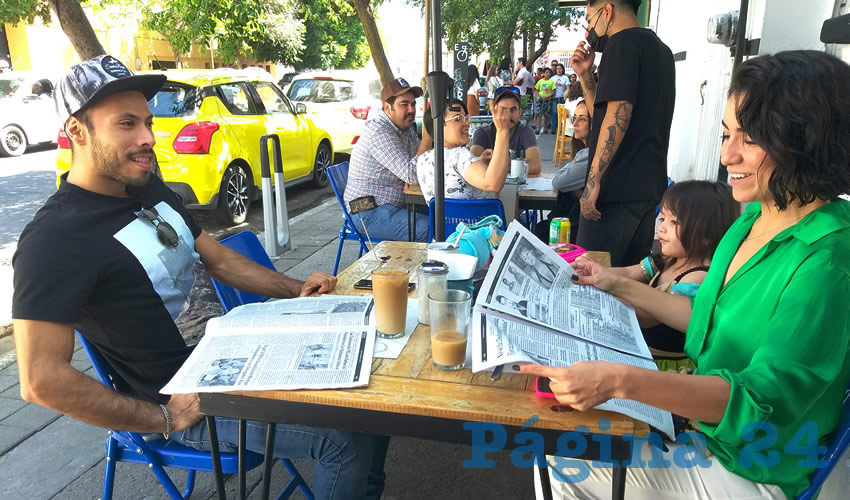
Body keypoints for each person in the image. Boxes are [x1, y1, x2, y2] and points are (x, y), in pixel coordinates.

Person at [12, 55, 386, 500]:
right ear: (76, 130)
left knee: (374, 396)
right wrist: (161, 420)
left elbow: (221, 261)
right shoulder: (54, 239)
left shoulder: (146, 187)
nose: (147, 138)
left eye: (148, 122)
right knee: (343, 441)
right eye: (126, 124)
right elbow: (40, 379)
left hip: (239, 356)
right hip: (183, 404)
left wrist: (298, 290)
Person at [523, 50, 850, 500]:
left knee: (561, 459)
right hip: (705, 432)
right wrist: (614, 281)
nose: (726, 154)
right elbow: (705, 315)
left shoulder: (828, 261)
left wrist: (620, 380)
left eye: (750, 139)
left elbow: (756, 404)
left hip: (753, 469)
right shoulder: (752, 218)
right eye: (726, 133)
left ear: (805, 142)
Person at [570, 0, 675, 266]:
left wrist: (592, 183)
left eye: (590, 19)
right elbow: (606, 118)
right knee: (626, 283)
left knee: (591, 280)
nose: (589, 31)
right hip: (646, 191)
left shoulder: (622, 45)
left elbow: (620, 113)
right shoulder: (661, 51)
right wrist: (585, 78)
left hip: (614, 192)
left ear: (607, 10)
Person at [604, 181, 739, 370]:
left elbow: (647, 317)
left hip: (662, 366)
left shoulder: (697, 277)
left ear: (705, 234)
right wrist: (597, 273)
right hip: (639, 349)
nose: (662, 228)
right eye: (663, 218)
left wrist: (608, 292)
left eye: (674, 222)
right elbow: (628, 272)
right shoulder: (666, 260)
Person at [344, 77, 431, 242]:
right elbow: (413, 174)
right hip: (367, 213)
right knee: (431, 228)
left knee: (446, 215)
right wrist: (427, 137)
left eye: (413, 104)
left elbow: (422, 166)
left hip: (396, 206)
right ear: (387, 107)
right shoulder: (379, 132)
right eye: (404, 104)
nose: (411, 110)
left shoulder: (405, 129)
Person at [415, 99, 511, 205]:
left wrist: (478, 161)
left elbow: (451, 176)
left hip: (444, 221)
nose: (466, 123)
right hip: (478, 220)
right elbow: (493, 184)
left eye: (466, 117)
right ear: (439, 125)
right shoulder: (460, 155)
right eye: (458, 119)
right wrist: (502, 130)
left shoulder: (423, 159)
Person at [534, 100, 591, 244]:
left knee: (541, 230)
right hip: (578, 222)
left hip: (581, 227)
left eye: (582, 119)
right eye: (574, 118)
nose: (575, 123)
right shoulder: (583, 152)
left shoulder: (588, 155)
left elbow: (558, 181)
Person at [470, 86, 542, 176]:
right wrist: (514, 165)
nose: (508, 115)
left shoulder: (526, 132)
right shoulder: (482, 133)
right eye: (503, 110)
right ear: (495, 111)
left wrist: (494, 165)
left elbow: (535, 166)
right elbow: (472, 167)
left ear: (520, 112)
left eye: (513, 110)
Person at [534, 68, 556, 135]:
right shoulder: (540, 81)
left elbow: (553, 91)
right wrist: (538, 96)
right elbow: (536, 90)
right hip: (540, 99)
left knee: (546, 114)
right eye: (546, 72)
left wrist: (548, 96)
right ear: (543, 73)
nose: (548, 74)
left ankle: (545, 127)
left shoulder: (551, 82)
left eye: (549, 72)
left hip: (547, 100)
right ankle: (538, 128)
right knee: (539, 114)